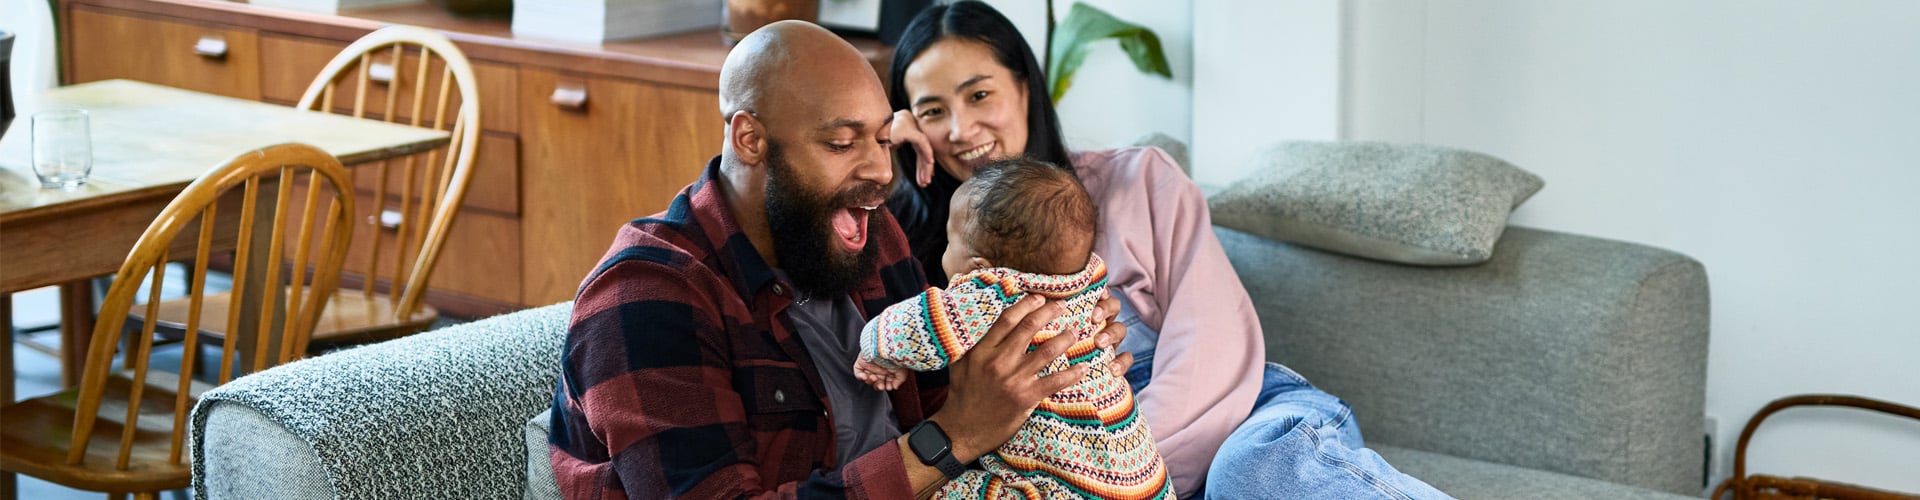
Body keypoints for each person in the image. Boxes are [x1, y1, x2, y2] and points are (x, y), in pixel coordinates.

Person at [545, 20, 1136, 499]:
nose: (882, 172)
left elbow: (947, 391)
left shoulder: (871, 237)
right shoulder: (649, 294)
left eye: (883, 139)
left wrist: (1046, 348)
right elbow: (954, 427)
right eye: (840, 143)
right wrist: (953, 437)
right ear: (749, 138)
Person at [882, 2, 1449, 498]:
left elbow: (1214, 344)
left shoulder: (1137, 178)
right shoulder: (914, 253)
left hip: (1233, 420)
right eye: (931, 111)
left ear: (1025, 88)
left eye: (979, 94)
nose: (960, 128)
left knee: (1251, 474)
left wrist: (1124, 469)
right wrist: (884, 167)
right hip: (1081, 471)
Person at [855, 159, 1172, 499]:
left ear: (979, 267)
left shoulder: (992, 291)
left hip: (1062, 488)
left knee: (943, 491)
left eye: (949, 243)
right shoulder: (1089, 281)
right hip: (1144, 476)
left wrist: (877, 350)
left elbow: (916, 328)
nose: (943, 255)